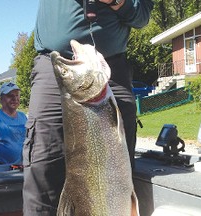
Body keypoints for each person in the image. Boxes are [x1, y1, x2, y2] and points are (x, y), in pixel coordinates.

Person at [23, 0, 154, 215]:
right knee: (42, 163)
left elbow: (142, 17)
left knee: (118, 164)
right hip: (54, 67)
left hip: (113, 69)